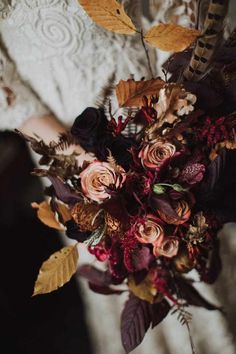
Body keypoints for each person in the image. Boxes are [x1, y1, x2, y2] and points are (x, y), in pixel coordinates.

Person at [0, 1, 236, 353]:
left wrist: (184, 123)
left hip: (181, 115)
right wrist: (92, 174)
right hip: (75, 159)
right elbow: (7, 92)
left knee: (211, 246)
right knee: (142, 281)